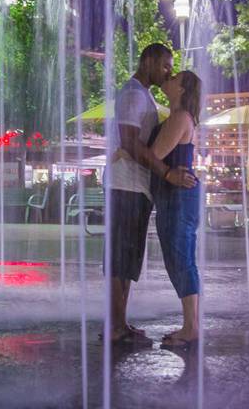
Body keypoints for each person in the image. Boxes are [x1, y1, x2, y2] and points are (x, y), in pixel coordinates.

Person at [105, 44, 196, 344]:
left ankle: (120, 323)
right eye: (165, 65)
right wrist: (167, 173)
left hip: (136, 186)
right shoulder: (133, 94)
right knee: (120, 258)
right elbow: (130, 142)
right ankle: (115, 326)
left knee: (128, 258)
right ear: (148, 61)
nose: (168, 71)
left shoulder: (143, 96)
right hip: (125, 185)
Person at [147, 70, 203, 349]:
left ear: (181, 90)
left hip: (178, 195)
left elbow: (153, 155)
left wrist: (126, 150)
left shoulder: (180, 118)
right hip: (177, 194)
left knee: (181, 257)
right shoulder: (179, 117)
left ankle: (191, 328)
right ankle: (190, 325)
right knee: (178, 257)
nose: (167, 79)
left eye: (174, 78)